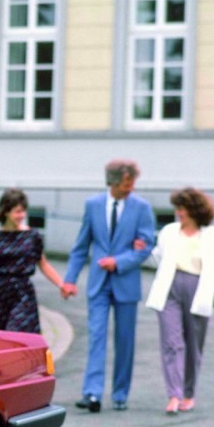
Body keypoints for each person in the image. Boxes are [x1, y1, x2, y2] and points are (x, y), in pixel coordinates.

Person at [61, 159, 155, 412]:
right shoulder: (92, 205)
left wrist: (120, 261)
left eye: (132, 183)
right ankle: (92, 394)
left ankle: (120, 393)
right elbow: (81, 246)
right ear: (112, 182)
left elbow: (147, 245)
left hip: (126, 282)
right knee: (97, 336)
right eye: (126, 183)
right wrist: (69, 280)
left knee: (125, 340)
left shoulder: (142, 208)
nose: (130, 188)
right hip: (98, 284)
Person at [144, 188, 214, 415]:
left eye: (183, 208)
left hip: (199, 289)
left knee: (193, 345)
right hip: (169, 289)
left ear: (196, 210)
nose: (179, 212)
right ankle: (174, 394)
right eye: (177, 208)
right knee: (171, 342)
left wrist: (211, 290)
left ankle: (188, 393)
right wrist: (144, 251)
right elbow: (158, 258)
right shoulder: (170, 232)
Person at [0, 188, 64, 333]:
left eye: (23, 211)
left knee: (17, 331)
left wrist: (61, 284)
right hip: (0, 295)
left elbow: (43, 264)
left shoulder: (33, 236)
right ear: (6, 211)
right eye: (17, 211)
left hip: (23, 293)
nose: (22, 215)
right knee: (4, 338)